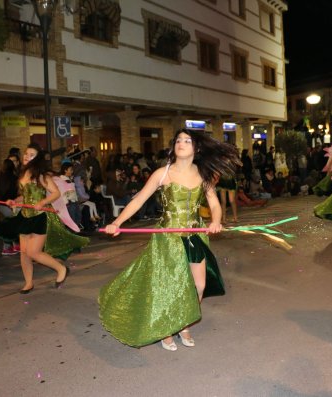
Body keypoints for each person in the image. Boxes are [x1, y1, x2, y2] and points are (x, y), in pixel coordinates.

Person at [99, 129, 240, 351]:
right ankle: (166, 329)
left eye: (187, 140)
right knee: (170, 285)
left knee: (199, 285)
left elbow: (214, 204)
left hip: (195, 236)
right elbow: (138, 201)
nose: (181, 143)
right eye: (178, 140)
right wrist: (117, 222)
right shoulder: (162, 173)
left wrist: (216, 220)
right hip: (168, 237)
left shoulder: (203, 174)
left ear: (197, 148)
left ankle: (184, 323)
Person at [0, 143, 89, 293]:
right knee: (24, 253)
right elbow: (25, 197)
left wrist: (42, 202)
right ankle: (29, 283)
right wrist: (14, 201)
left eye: (31, 154)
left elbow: (56, 193)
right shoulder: (23, 174)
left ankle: (61, 268)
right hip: (25, 216)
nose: (26, 156)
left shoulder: (42, 176)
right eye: (26, 153)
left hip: (39, 217)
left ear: (37, 159)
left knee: (33, 252)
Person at [0, 158, 20, 256]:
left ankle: (13, 245)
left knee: (10, 224)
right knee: (12, 224)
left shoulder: (0, 177)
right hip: (10, 204)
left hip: (1, 204)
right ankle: (8, 246)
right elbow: (13, 191)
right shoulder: (13, 178)